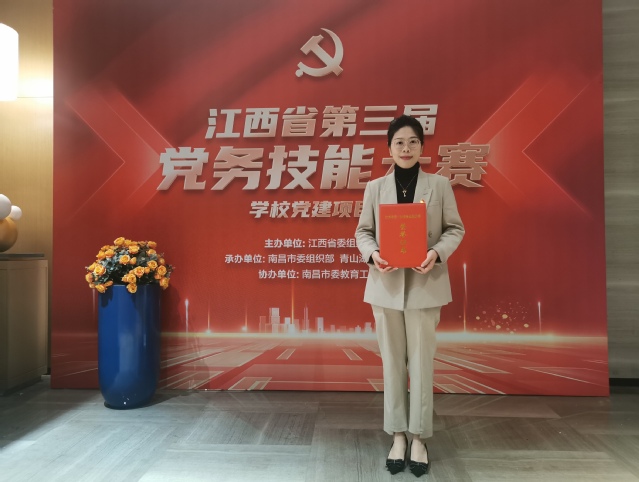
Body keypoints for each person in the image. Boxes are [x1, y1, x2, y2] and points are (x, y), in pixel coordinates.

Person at [355, 115, 464, 477]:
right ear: (389, 148)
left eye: (413, 142)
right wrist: (373, 254)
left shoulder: (440, 185)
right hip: (385, 288)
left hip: (425, 286)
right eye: (399, 142)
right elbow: (363, 232)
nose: (406, 148)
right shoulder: (375, 188)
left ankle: (419, 437)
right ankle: (397, 435)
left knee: (420, 364)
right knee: (391, 364)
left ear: (422, 147)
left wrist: (436, 252)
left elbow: (454, 229)